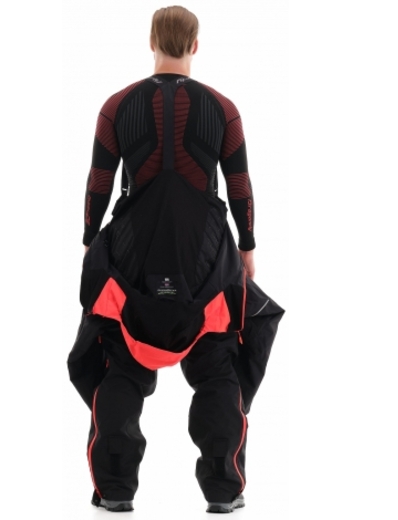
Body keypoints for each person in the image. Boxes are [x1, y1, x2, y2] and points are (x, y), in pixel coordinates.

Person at [71, 5, 284, 514]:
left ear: (151, 42)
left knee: (121, 365)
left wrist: (89, 241)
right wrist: (247, 247)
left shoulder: (117, 106)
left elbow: (99, 182)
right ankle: (224, 490)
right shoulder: (224, 108)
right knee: (216, 367)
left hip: (132, 255)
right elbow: (239, 186)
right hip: (204, 257)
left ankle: (115, 490)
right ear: (195, 45)